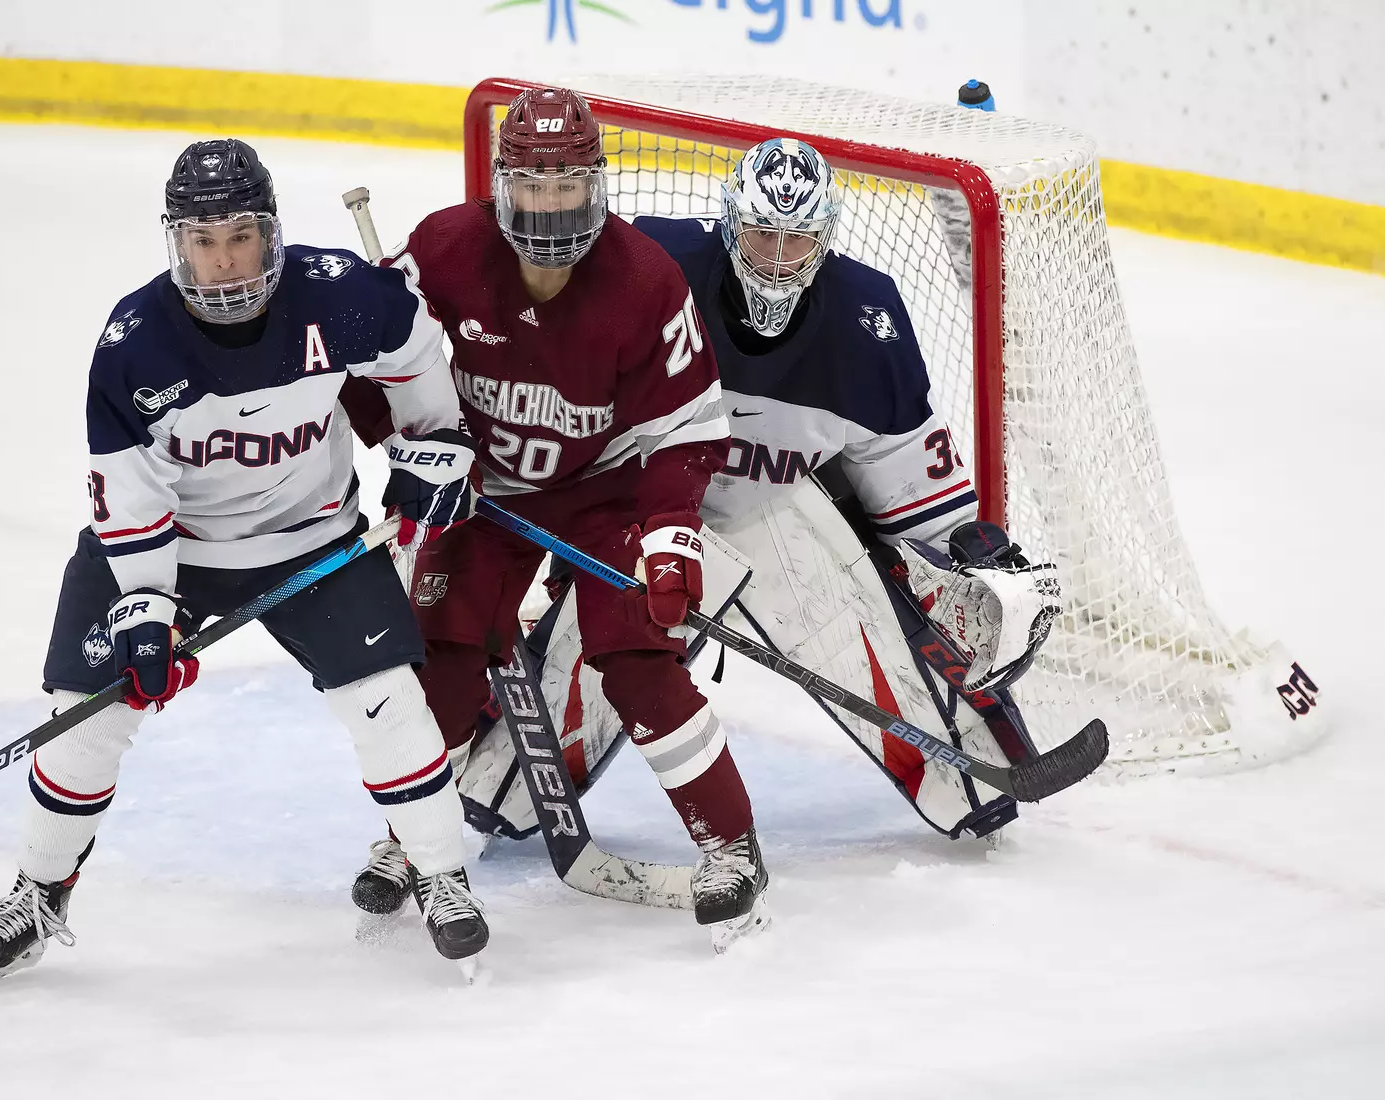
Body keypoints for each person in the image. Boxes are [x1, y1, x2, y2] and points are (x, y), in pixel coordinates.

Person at [0, 138, 487, 988]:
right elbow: (130, 495)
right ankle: (39, 892)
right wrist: (145, 609)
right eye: (204, 241)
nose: (225, 260)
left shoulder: (339, 294)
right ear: (178, 243)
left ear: (271, 233)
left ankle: (441, 875)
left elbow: (415, 353)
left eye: (241, 236)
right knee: (83, 719)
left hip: (314, 541)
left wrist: (437, 442)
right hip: (173, 550)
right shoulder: (135, 343)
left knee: (388, 702)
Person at [454, 138, 1062, 846]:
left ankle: (972, 774)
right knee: (504, 794)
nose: (776, 258)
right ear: (728, 222)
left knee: (969, 779)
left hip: (778, 513)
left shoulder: (867, 324)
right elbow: (546, 370)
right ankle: (499, 786)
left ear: (825, 237)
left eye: (796, 238)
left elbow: (912, 484)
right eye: (761, 233)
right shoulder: (652, 271)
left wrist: (970, 554)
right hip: (646, 520)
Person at [344, 87, 770, 945]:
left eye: (568, 185)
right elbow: (370, 376)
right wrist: (411, 450)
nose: (551, 207)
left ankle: (730, 844)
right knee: (442, 665)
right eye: (534, 187)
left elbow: (687, 432)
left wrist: (670, 540)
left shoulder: (646, 279)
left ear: (596, 184)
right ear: (503, 186)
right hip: (483, 490)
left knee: (638, 658)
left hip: (605, 490)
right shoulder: (443, 249)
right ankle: (414, 839)